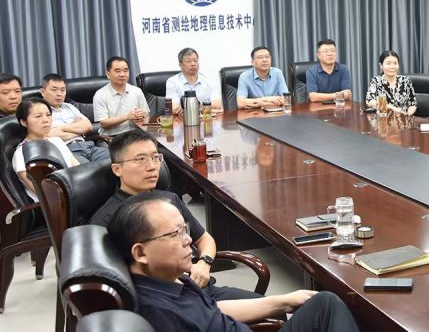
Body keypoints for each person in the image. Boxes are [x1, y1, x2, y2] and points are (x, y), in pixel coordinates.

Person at [107, 193, 360, 332]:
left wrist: (282, 301)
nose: (189, 241)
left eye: (185, 230)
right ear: (140, 253)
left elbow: (212, 311)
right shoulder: (159, 312)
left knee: (324, 303)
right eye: (175, 234)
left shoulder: (167, 280)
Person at [90, 130, 264, 301]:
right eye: (140, 159)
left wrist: (204, 262)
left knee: (270, 308)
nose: (152, 166)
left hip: (198, 288)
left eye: (155, 157)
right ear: (117, 169)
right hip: (166, 300)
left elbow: (204, 239)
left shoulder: (169, 199)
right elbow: (113, 281)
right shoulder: (104, 220)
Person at [12, 98, 81, 200]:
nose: (46, 120)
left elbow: (78, 169)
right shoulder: (21, 153)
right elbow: (42, 192)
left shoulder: (56, 141)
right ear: (23, 122)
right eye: (38, 116)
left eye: (48, 115)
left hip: (77, 192)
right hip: (56, 204)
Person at [40, 73, 109, 163]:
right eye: (54, 90)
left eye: (62, 90)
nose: (59, 94)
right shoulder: (40, 111)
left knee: (117, 161)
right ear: (42, 92)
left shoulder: (69, 107)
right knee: (88, 169)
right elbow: (48, 135)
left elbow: (88, 126)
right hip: (66, 151)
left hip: (87, 146)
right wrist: (78, 131)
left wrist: (61, 128)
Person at [93, 56, 149, 135]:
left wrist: (142, 116)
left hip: (135, 134)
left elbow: (146, 115)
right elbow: (104, 123)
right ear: (108, 74)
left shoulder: (137, 91)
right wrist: (127, 117)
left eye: (125, 71)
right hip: (111, 137)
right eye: (118, 71)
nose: (122, 74)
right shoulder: (100, 95)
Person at [166, 48, 222, 115]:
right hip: (183, 120)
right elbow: (173, 108)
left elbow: (217, 105)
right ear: (180, 65)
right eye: (188, 61)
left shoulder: (209, 79)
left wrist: (196, 105)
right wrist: (206, 106)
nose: (193, 64)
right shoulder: (172, 82)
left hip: (206, 119)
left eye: (195, 60)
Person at [365, 50, 417, 115]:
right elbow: (369, 101)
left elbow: (413, 104)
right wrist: (390, 107)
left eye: (395, 63)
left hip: (403, 118)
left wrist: (407, 115)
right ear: (381, 65)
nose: (392, 67)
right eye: (388, 63)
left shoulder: (406, 80)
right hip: (383, 119)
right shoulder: (376, 81)